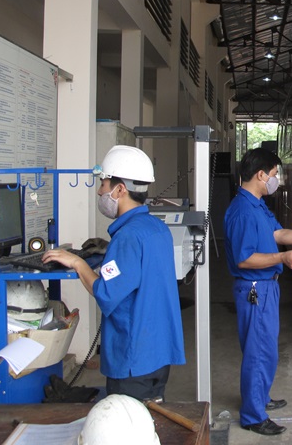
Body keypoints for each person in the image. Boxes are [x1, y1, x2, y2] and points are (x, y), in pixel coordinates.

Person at [43, 145, 185, 401]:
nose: (100, 191)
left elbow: (106, 293)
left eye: (104, 184)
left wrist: (78, 263)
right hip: (159, 353)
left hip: (133, 360)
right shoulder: (157, 228)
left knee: (125, 426)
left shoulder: (128, 236)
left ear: (120, 189)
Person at [224, 147, 292, 436]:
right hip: (254, 289)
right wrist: (283, 258)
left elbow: (278, 234)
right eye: (274, 174)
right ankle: (252, 416)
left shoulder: (257, 204)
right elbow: (244, 259)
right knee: (258, 353)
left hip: (266, 288)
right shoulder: (241, 211)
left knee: (266, 350)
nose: (275, 179)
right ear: (261, 175)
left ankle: (259, 398)